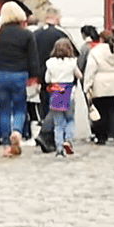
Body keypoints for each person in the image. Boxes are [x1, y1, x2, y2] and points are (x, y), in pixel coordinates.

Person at [0, 2, 42, 151]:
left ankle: (5, 138)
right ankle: (17, 132)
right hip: (20, 75)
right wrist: (35, 77)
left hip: (0, 74)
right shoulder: (27, 34)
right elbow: (33, 59)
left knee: (4, 109)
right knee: (20, 107)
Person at [33, 8, 70, 150]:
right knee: (57, 108)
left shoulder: (35, 34)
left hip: (42, 77)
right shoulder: (61, 34)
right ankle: (48, 135)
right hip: (60, 77)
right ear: (56, 17)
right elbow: (73, 54)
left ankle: (49, 137)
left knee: (45, 107)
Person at [45, 38, 83, 157]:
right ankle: (68, 139)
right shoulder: (72, 62)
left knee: (58, 123)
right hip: (69, 92)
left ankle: (59, 148)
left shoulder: (50, 63)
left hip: (56, 92)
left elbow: (47, 79)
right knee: (70, 119)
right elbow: (79, 75)